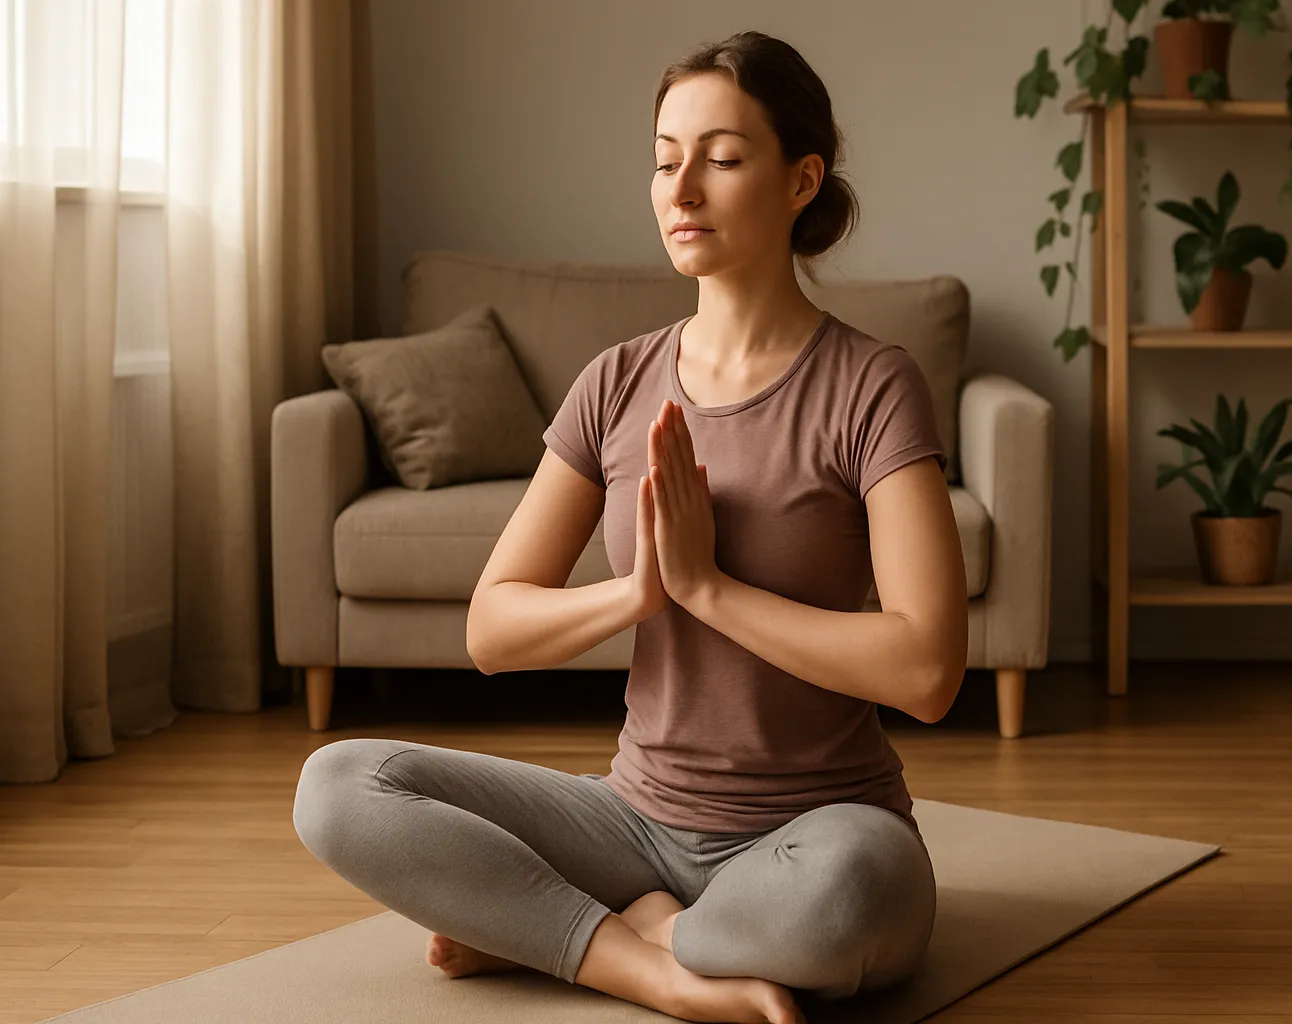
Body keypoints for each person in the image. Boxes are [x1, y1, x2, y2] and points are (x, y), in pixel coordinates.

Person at [291, 28, 968, 1024]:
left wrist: (709, 591)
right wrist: (638, 594)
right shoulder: (615, 381)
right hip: (632, 820)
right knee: (339, 784)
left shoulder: (872, 384)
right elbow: (492, 626)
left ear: (800, 181)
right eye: (663, 160)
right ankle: (645, 954)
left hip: (819, 830)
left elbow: (928, 670)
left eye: (723, 158)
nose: (680, 188)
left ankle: (558, 926)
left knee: (851, 895)